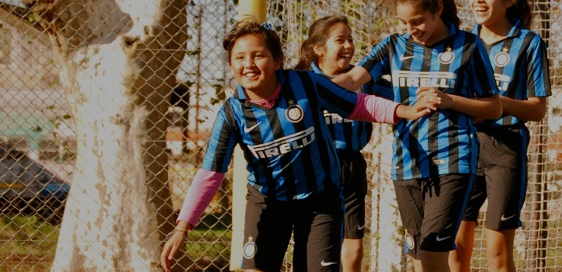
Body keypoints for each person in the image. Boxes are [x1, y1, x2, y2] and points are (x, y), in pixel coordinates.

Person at [160, 17, 434, 272]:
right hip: (267, 202)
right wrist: (184, 227)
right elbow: (210, 173)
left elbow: (357, 104)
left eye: (258, 55)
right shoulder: (231, 114)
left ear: (277, 60)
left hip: (320, 200)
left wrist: (404, 111)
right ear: (231, 65)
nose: (249, 64)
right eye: (239, 58)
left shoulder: (306, 84)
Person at [333, 0, 502, 272]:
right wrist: (303, 90)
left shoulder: (468, 45)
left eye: (417, 21)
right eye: (404, 22)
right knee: (419, 257)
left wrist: (449, 100)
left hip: (453, 160)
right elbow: (350, 80)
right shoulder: (394, 45)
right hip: (406, 162)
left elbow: (493, 107)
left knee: (434, 250)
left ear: (437, 8)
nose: (411, 29)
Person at [448, 0, 550, 272]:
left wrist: (492, 105)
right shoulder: (461, 42)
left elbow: (537, 108)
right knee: (455, 249)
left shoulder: (528, 43)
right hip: (464, 148)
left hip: (505, 149)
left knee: (497, 253)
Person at [293, 16, 390, 272]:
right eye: (340, 40)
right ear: (319, 48)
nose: (348, 45)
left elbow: (398, 99)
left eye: (350, 39)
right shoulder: (301, 82)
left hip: (351, 167)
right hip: (316, 169)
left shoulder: (363, 80)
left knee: (354, 248)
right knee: (317, 246)